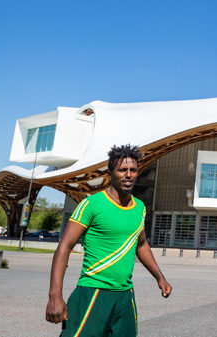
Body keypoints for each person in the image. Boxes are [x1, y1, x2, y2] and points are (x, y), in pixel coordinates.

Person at [45, 144, 172, 337]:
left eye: (133, 170)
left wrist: (160, 278)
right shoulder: (91, 204)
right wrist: (55, 296)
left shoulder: (139, 208)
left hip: (125, 296)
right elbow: (64, 246)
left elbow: (142, 244)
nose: (128, 175)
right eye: (122, 170)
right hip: (93, 292)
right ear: (110, 174)